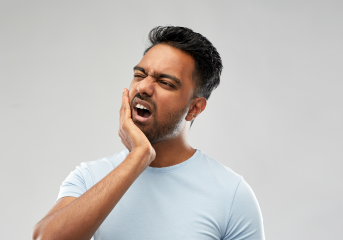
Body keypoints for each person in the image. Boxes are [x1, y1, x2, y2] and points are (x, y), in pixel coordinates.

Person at [32, 26, 265, 240]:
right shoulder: (90, 177)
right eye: (140, 75)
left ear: (194, 108)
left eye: (165, 82)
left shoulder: (231, 194)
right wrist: (138, 157)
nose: (143, 88)